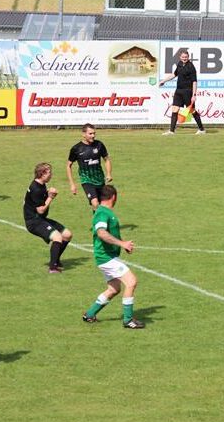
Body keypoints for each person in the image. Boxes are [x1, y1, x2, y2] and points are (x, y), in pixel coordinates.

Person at [82, 185, 144, 329]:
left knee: (114, 289)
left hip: (107, 257)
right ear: (114, 197)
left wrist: (122, 245)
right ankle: (128, 320)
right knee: (131, 282)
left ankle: (89, 314)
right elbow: (101, 233)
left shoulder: (104, 212)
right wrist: (122, 243)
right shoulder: (103, 213)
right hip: (106, 257)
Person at [23, 163, 73, 273]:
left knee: (67, 235)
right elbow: (40, 210)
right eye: (49, 173)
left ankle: (56, 260)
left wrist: (47, 192)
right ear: (42, 174)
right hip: (34, 222)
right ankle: (53, 267)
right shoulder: (35, 188)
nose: (51, 175)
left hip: (40, 219)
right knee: (57, 238)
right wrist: (51, 197)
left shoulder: (41, 185)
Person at [158, 50, 206, 135]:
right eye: (183, 57)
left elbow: (194, 82)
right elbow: (174, 74)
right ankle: (171, 131)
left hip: (188, 91)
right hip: (178, 91)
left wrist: (194, 95)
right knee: (174, 109)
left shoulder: (191, 67)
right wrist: (164, 81)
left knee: (192, 110)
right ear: (180, 57)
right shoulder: (179, 64)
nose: (184, 58)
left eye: (186, 57)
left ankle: (201, 129)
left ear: (188, 57)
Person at [66, 123, 112, 210]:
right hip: (86, 180)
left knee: (102, 206)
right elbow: (68, 165)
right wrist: (72, 184)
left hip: (99, 180)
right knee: (95, 203)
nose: (93, 136)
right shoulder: (76, 149)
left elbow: (107, 159)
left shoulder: (99, 145)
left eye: (94, 133)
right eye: (90, 134)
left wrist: (109, 174)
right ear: (83, 134)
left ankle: (98, 222)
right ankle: (98, 223)